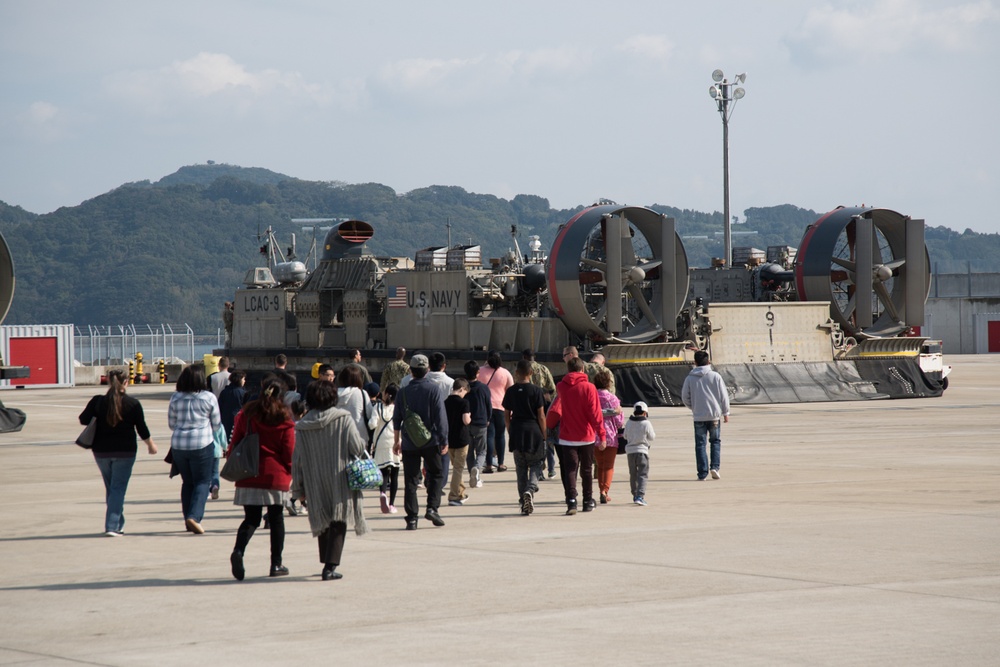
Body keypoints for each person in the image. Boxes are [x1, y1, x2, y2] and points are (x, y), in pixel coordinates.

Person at [291, 380, 369, 581]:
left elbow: (297, 459)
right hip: (339, 478)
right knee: (339, 519)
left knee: (323, 518)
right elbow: (356, 448)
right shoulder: (344, 419)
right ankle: (330, 565)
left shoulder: (302, 425)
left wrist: (298, 488)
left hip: (314, 480)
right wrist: (362, 442)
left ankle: (326, 560)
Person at [228, 379, 296, 580]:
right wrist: (292, 473)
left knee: (251, 519)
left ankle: (238, 551)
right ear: (281, 396)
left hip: (249, 472)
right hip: (275, 475)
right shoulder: (284, 419)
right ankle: (276, 564)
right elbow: (289, 452)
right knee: (276, 519)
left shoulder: (247, 415)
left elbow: (236, 442)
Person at [78, 368, 157, 536]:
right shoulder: (132, 403)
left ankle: (118, 523)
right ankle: (112, 526)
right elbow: (141, 428)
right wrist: (150, 445)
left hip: (101, 451)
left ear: (108, 381)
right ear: (126, 382)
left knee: (112, 489)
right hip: (125, 451)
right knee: (118, 489)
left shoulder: (98, 401)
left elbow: (83, 419)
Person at [392, 354, 448, 530]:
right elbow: (440, 418)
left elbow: (396, 419)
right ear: (427, 370)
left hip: (409, 442)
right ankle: (432, 508)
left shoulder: (403, 392)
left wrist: (397, 441)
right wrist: (443, 439)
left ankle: (412, 519)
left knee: (410, 480)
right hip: (431, 442)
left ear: (411, 371)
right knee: (436, 474)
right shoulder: (433, 390)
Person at [546, 356, 605, 515]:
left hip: (567, 436)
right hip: (586, 436)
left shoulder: (561, 387)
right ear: (583, 369)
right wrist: (602, 435)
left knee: (570, 469)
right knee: (586, 470)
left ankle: (571, 501)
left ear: (568, 370)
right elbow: (595, 414)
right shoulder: (590, 388)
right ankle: (587, 501)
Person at [167, 365, 222, 534]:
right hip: (202, 443)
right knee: (203, 482)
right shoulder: (208, 397)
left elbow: (171, 424)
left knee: (188, 482)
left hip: (179, 445)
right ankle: (194, 516)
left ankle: (187, 519)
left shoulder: (175, 398)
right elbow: (217, 423)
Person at [503, 360, 547, 515]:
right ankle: (530, 489)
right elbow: (541, 415)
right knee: (536, 463)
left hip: (517, 430)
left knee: (520, 468)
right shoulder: (536, 391)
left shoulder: (511, 391)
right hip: (533, 430)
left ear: (516, 373)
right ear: (531, 373)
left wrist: (510, 429)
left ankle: (523, 501)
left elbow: (506, 414)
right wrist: (544, 434)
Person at [681, 350, 731, 481]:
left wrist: (694, 407)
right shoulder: (716, 376)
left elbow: (684, 397)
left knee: (700, 444)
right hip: (714, 415)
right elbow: (723, 396)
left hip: (698, 416)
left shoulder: (690, 378)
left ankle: (702, 473)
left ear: (695, 362)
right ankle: (715, 467)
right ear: (708, 362)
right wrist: (726, 412)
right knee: (715, 442)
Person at [478, 350, 514, 473]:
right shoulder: (505, 373)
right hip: (501, 407)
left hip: (484, 408)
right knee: (500, 436)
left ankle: (488, 465)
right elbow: (510, 392)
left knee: (489, 435)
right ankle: (501, 463)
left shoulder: (480, 371)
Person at [369, 383, 400, 514]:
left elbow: (372, 424)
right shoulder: (398, 408)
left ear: (386, 393)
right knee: (395, 473)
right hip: (394, 441)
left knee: (384, 472)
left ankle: (382, 493)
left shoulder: (378, 407)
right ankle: (392, 504)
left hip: (381, 443)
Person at [594, 369, 624, 504]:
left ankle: (601, 489)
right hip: (611, 436)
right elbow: (619, 422)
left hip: (594, 437)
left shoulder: (592, 397)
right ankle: (604, 491)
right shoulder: (613, 399)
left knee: (600, 465)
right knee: (609, 466)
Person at [463, 360, 491, 489]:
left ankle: (472, 475)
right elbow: (488, 405)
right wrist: (488, 418)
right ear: (478, 373)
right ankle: (477, 469)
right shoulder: (483, 388)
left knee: (469, 452)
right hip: (481, 422)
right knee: (481, 451)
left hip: (466, 422)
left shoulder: (463, 388)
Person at [443, 377, 471, 506]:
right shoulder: (464, 403)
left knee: (456, 467)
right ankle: (454, 496)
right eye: (465, 392)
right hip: (461, 439)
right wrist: (470, 417)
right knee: (458, 469)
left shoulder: (445, 402)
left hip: (449, 439)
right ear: (462, 389)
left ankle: (460, 492)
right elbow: (466, 420)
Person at [623, 401, 656, 505]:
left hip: (630, 452)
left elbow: (625, 436)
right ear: (645, 413)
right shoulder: (646, 423)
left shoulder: (629, 422)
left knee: (633, 474)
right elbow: (652, 437)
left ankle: (634, 494)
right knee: (642, 474)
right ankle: (640, 496)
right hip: (642, 451)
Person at [336, 365, 372, 445]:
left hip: (337, 435)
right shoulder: (362, 393)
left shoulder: (334, 394)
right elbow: (369, 414)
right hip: (359, 435)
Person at [218, 371, 247, 440]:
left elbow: (220, 406)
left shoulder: (224, 392)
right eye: (243, 379)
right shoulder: (243, 393)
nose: (244, 381)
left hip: (225, 418)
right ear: (239, 380)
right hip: (238, 419)